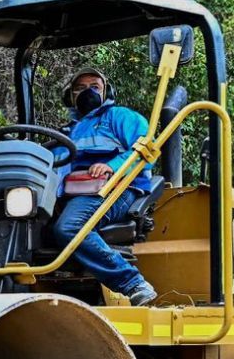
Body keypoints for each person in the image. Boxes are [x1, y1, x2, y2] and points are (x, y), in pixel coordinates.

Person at [51, 68, 161, 306]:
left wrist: (112, 165)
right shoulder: (65, 133)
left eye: (94, 87)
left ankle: (133, 283)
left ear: (106, 91)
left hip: (115, 188)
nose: (87, 92)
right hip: (74, 194)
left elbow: (147, 149)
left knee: (70, 227)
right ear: (70, 96)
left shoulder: (119, 117)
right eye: (80, 88)